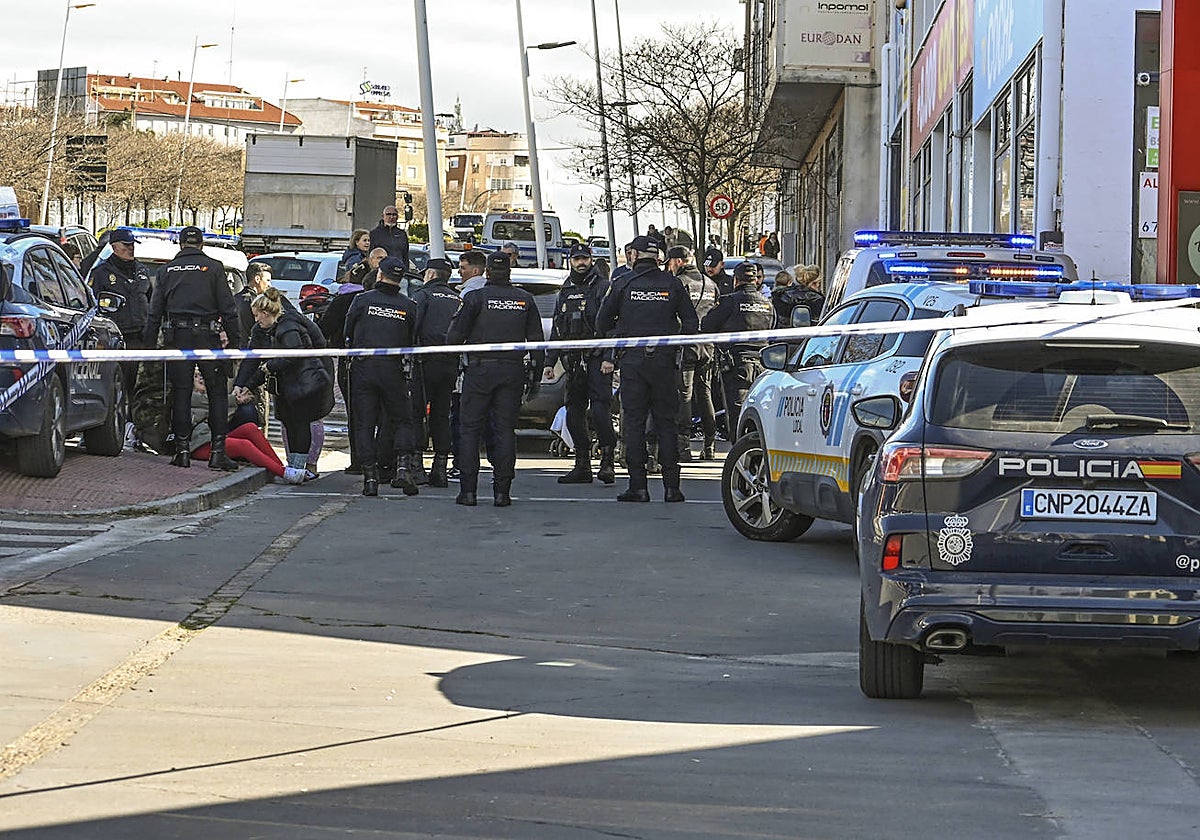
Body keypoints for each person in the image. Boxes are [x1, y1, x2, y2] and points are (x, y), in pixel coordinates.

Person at [595, 235, 699, 503]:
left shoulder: (623, 283)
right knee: (666, 423)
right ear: (657, 257)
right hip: (664, 363)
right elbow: (690, 323)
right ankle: (672, 488)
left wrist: (622, 332)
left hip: (634, 363)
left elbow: (601, 321)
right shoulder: (672, 283)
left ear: (633, 256)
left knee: (634, 423)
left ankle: (638, 487)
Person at [446, 250, 545, 507]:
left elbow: (453, 337)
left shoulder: (475, 298)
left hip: (479, 370)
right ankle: (502, 492)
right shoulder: (524, 299)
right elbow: (536, 342)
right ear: (509, 271)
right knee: (504, 431)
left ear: (487, 271)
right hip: (512, 371)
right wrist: (534, 377)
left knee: (470, 429)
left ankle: (468, 492)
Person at [142, 225, 241, 471]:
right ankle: (217, 453)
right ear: (202, 245)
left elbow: (154, 312)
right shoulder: (214, 268)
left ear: (180, 245)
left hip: (177, 337)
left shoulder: (167, 271)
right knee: (217, 393)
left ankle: (183, 451)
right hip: (208, 336)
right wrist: (236, 343)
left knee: (181, 393)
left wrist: (148, 346)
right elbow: (229, 309)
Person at [234, 287, 334, 482]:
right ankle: (295, 467)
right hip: (287, 381)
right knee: (290, 422)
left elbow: (293, 354)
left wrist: (267, 368)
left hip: (305, 381)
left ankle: (298, 467)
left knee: (300, 422)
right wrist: (242, 384)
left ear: (266, 313)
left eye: (257, 316)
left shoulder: (288, 326)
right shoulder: (261, 330)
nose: (256, 320)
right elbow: (252, 358)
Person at [342, 257, 420, 497]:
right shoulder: (408, 305)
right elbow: (411, 338)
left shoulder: (362, 300)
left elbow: (348, 333)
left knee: (364, 423)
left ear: (379, 275)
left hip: (364, 368)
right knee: (402, 419)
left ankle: (370, 477)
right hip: (394, 369)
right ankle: (403, 467)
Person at [543, 242, 616, 485]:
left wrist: (608, 357)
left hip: (596, 358)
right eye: (577, 259)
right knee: (573, 411)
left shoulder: (602, 287)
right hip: (572, 360)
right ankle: (581, 463)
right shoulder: (565, 289)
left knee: (600, 410)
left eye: (585, 258)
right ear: (570, 261)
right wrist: (549, 362)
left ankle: (607, 461)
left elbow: (611, 326)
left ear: (591, 259)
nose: (581, 263)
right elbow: (557, 327)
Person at [701, 261, 776, 442]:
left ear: (736, 280)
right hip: (763, 367)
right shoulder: (768, 305)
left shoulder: (729, 302)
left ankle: (740, 457)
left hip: (737, 366)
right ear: (756, 280)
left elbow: (707, 325)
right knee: (761, 415)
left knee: (737, 415)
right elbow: (774, 333)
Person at [189, 369, 306, 484]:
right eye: (196, 376)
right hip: (199, 444)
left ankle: (281, 468)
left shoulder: (212, 396)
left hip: (215, 438)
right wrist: (236, 400)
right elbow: (210, 402)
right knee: (244, 445)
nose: (201, 378)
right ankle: (283, 472)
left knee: (250, 428)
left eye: (203, 375)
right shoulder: (191, 397)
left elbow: (224, 416)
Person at [410, 257, 462, 488]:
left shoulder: (423, 296)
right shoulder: (458, 299)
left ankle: (417, 466)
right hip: (449, 364)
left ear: (430, 275)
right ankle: (440, 466)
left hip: (423, 362)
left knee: (417, 414)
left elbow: (413, 327)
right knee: (441, 415)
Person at [665, 245, 719, 462]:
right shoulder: (710, 283)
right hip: (708, 345)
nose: (668, 268)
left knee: (685, 395)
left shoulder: (679, 282)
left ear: (678, 262)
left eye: (669, 263)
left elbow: (673, 315)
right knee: (705, 394)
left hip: (686, 345)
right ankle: (710, 444)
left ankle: (684, 446)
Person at [89, 228, 152, 400]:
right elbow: (92, 306)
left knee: (137, 387)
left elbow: (151, 300)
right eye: (126, 245)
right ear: (114, 247)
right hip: (115, 338)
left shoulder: (142, 271)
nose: (131, 248)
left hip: (140, 337)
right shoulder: (102, 273)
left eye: (132, 245)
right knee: (117, 385)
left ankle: (133, 421)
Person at [320, 271, 369, 474]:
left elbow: (324, 328)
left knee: (356, 414)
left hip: (350, 362)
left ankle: (359, 461)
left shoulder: (344, 300)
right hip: (384, 363)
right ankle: (381, 461)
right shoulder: (390, 300)